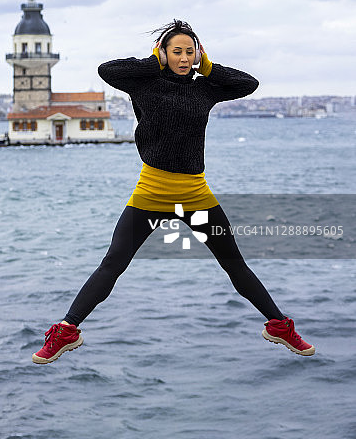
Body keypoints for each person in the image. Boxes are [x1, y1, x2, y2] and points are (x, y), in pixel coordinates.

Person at [32, 20, 315, 364]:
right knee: (112, 264)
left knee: (235, 265)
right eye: (176, 51)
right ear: (163, 53)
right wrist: (153, 63)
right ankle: (66, 330)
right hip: (151, 191)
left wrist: (209, 68)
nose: (184, 58)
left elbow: (248, 83)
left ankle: (279, 326)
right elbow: (108, 70)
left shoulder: (204, 89)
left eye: (190, 52)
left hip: (196, 195)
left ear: (198, 55)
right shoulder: (144, 84)